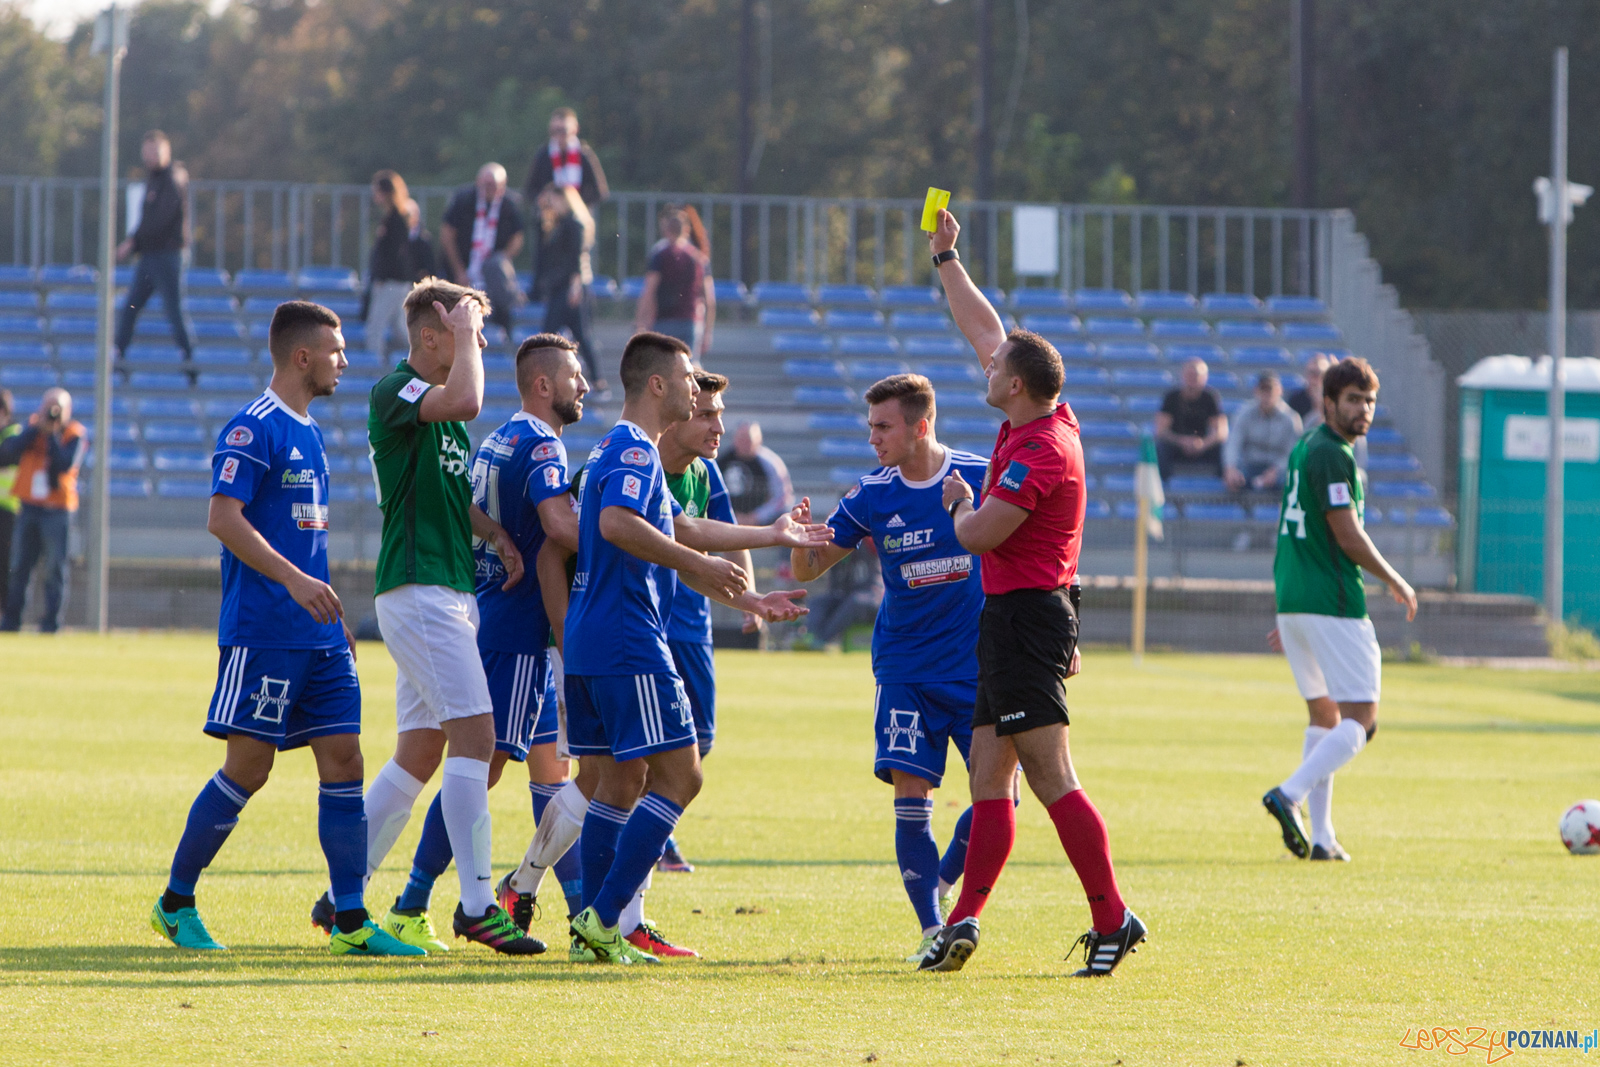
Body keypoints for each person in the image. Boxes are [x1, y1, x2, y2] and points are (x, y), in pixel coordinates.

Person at [149, 302, 421, 956]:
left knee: (346, 758)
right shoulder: (254, 427)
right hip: (265, 629)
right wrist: (295, 583)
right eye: (335, 350)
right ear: (302, 357)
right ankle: (175, 903)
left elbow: (304, 539)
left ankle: (350, 921)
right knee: (249, 768)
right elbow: (223, 518)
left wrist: (331, 612)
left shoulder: (312, 432)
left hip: (319, 635)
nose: (344, 361)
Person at [922, 207, 1146, 978]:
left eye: (995, 371)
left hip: (1027, 618)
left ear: (1015, 386)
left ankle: (1112, 918)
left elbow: (981, 534)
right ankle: (963, 919)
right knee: (990, 776)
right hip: (1011, 617)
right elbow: (987, 330)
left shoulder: (1043, 449)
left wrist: (957, 502)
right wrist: (948, 259)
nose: (984, 369)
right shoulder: (1040, 412)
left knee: (1051, 777)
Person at [561, 331, 827, 963]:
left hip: (590, 637)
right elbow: (618, 525)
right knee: (682, 775)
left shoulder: (620, 450)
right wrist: (697, 565)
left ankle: (593, 930)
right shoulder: (634, 450)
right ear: (658, 386)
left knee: (619, 781)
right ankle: (602, 919)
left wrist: (769, 538)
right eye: (686, 379)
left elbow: (679, 526)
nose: (693, 387)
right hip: (628, 636)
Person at [315, 277, 544, 956]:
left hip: (443, 591)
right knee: (478, 738)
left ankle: (343, 894)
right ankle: (477, 905)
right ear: (430, 335)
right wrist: (467, 326)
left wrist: (492, 532)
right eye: (468, 331)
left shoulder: (439, 410)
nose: (478, 343)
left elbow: (447, 492)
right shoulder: (398, 390)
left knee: (419, 752)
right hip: (420, 591)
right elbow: (468, 397)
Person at [377, 333, 589, 945]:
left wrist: (497, 537)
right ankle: (414, 900)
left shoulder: (498, 439)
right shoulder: (543, 445)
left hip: (497, 618)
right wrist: (628, 537)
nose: (583, 385)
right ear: (543, 385)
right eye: (573, 376)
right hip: (519, 631)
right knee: (481, 767)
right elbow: (557, 525)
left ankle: (574, 909)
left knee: (549, 770)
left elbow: (468, 508)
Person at [788, 373, 991, 962]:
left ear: (920, 426)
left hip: (977, 669)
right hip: (905, 669)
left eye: (883, 426)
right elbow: (809, 569)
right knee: (911, 794)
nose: (872, 437)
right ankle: (931, 930)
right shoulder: (872, 494)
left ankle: (944, 881)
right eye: (870, 426)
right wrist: (800, 540)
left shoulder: (980, 475)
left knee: (1000, 798)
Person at [1261, 357, 1417, 863]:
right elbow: (1347, 535)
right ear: (1328, 402)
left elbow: (1292, 528)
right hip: (1332, 599)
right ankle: (1289, 794)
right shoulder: (1333, 453)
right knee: (1362, 721)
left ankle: (1323, 837)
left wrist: (1290, 611)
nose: (1363, 409)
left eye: (1369, 401)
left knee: (1324, 717)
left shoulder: (1306, 444)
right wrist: (1394, 578)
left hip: (1297, 600)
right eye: (1353, 400)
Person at [652, 370, 758, 884]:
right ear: (675, 416)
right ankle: (654, 837)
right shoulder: (642, 466)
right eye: (706, 414)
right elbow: (687, 533)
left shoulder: (706, 472)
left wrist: (749, 599)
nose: (719, 427)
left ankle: (651, 827)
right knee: (654, 747)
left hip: (693, 623)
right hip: (648, 626)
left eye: (719, 414)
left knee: (701, 741)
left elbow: (727, 534)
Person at [0, 388, 85, 633]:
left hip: (57, 510)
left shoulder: (73, 434)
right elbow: (8, 451)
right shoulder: (32, 428)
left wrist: (52, 434)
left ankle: (51, 623)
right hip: (29, 507)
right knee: (19, 566)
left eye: (56, 408)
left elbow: (63, 464)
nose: (51, 413)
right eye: (48, 406)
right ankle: (12, 620)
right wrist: (38, 429)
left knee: (54, 568)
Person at [115, 130, 194, 369]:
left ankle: (191, 363)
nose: (150, 156)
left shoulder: (172, 178)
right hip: (149, 256)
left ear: (166, 151)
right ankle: (118, 357)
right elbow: (147, 219)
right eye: (147, 151)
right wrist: (134, 243)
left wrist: (133, 243)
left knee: (173, 311)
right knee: (130, 307)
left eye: (155, 150)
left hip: (166, 255)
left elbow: (160, 221)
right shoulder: (154, 178)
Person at [531, 184, 606, 394]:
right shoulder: (555, 225)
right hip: (558, 286)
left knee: (577, 334)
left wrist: (575, 286)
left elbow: (576, 258)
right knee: (562, 334)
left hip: (571, 287)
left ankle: (597, 380)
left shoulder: (574, 224)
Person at [439, 164, 525, 339]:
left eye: (494, 185)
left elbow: (517, 237)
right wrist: (459, 270)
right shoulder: (464, 200)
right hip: (462, 266)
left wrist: (501, 261)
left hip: (492, 272)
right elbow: (447, 234)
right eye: (487, 185)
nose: (490, 190)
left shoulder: (509, 204)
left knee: (501, 305)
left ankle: (505, 339)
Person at [363, 170, 432, 356]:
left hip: (391, 282)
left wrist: (381, 277)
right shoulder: (392, 218)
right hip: (397, 282)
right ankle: (425, 358)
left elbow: (394, 256)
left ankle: (374, 367)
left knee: (375, 328)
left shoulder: (396, 219)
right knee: (401, 329)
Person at [634, 206, 716, 360]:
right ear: (686, 230)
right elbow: (709, 299)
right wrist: (708, 331)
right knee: (689, 368)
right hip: (690, 320)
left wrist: (640, 322)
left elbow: (649, 291)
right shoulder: (699, 259)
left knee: (662, 367)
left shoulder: (659, 255)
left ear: (666, 230)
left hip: (663, 320)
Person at [1224, 373, 1302, 492]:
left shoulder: (1291, 418)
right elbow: (1233, 443)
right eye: (1263, 390)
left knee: (1291, 481)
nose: (1266, 395)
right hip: (1250, 465)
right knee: (1234, 480)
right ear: (1256, 391)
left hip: (1279, 468)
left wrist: (1276, 470)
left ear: (1279, 391)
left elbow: (1293, 452)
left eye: (1270, 390)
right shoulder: (1244, 413)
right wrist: (1231, 468)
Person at [1155, 358, 1228, 482]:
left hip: (1204, 446)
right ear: (1182, 375)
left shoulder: (1210, 397)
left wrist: (1203, 444)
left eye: (1196, 375)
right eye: (1190, 375)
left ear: (1205, 377)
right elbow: (1161, 431)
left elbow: (1221, 432)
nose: (1192, 379)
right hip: (1177, 446)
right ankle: (1163, 483)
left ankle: (1224, 483)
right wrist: (1181, 441)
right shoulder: (1171, 397)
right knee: (1160, 447)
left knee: (1225, 449)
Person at [523, 107, 610, 209]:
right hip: (550, 214)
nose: (559, 135)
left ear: (575, 129)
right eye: (555, 130)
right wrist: (544, 199)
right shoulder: (543, 155)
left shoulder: (585, 154)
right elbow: (529, 191)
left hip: (578, 213)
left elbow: (600, 192)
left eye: (563, 130)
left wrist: (574, 202)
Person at [721, 421, 794, 525]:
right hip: (727, 523)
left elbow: (783, 498)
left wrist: (756, 517)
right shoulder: (722, 461)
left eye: (748, 440)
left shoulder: (771, 464)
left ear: (758, 440)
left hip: (764, 525)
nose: (744, 443)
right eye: (740, 439)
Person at [0, 390, 18, 611]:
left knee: (5, 564)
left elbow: (6, 456)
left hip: (8, 509)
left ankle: (5, 613)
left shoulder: (14, 434)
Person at [1285, 353, 1331, 424]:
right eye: (1312, 373)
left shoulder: (1334, 399)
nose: (1315, 378)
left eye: (1319, 373)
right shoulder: (1296, 400)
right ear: (1306, 374)